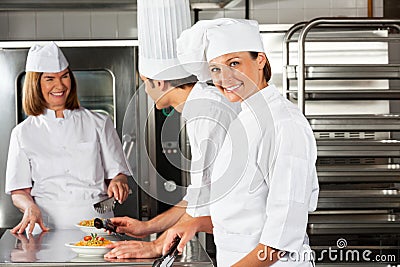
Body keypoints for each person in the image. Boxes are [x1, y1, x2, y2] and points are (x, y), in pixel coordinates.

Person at [162, 18, 320, 266]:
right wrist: (195, 223)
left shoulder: (284, 124)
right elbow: (243, 216)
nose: (224, 78)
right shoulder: (244, 118)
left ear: (261, 60)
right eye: (215, 69)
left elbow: (281, 238)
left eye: (234, 63)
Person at [103, 0, 240, 259]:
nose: (145, 91)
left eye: (146, 83)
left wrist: (156, 246)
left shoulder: (207, 112)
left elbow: (201, 204)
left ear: (160, 81)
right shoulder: (201, 106)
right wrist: (147, 228)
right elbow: (198, 196)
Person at [5, 42, 131, 233]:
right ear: (35, 84)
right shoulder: (22, 133)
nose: (60, 85)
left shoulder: (99, 122)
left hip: (96, 225)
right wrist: (29, 207)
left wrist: (119, 182)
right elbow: (19, 191)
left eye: (65, 76)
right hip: (45, 226)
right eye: (50, 79)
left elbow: (117, 174)